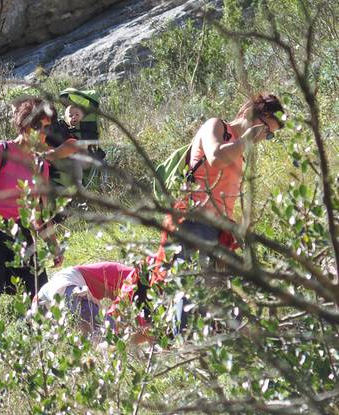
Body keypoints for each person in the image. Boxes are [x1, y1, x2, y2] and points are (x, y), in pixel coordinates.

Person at [161, 93, 285, 333]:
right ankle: (183, 344)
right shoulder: (217, 126)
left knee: (219, 289)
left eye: (269, 136)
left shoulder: (239, 150)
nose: (265, 138)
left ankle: (218, 345)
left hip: (219, 226)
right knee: (190, 283)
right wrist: (245, 141)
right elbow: (215, 157)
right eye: (268, 132)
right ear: (260, 115)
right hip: (196, 218)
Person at [0, 97, 64, 354]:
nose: (43, 133)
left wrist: (53, 244)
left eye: (48, 127)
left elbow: (40, 213)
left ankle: (37, 348)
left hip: (21, 232)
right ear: (25, 125)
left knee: (39, 289)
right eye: (39, 126)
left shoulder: (41, 165)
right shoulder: (0, 152)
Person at [37, 261, 145, 335]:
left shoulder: (121, 273)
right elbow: (120, 317)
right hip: (68, 289)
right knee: (111, 332)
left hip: (44, 296)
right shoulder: (132, 279)